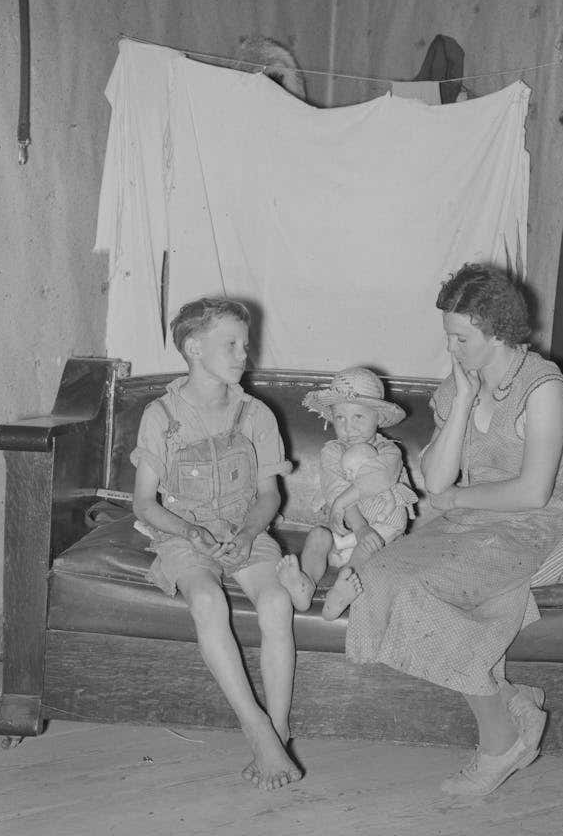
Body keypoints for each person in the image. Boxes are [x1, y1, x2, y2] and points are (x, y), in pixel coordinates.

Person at [345, 262, 563, 796]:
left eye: (461, 338)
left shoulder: (543, 387)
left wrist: (455, 497)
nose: (452, 349)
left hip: (530, 525)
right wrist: (461, 400)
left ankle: (500, 742)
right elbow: (435, 479)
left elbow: (533, 491)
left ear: (498, 332)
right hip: (465, 521)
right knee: (379, 573)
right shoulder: (461, 381)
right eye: (448, 338)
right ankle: (510, 704)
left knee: (422, 592)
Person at [130, 296, 302, 791]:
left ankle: (280, 728)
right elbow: (145, 503)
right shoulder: (162, 415)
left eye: (245, 345)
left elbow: (269, 494)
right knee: (206, 597)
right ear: (193, 348)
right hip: (183, 531)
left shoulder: (256, 415)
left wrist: (249, 534)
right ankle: (255, 726)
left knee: (274, 601)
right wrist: (189, 533)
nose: (242, 355)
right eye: (230, 344)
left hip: (244, 530)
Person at [276, 367, 417, 620]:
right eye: (340, 418)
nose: (349, 427)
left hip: (380, 537)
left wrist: (355, 520)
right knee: (318, 536)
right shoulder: (332, 451)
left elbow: (379, 478)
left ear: (378, 418)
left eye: (358, 417)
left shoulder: (389, 452)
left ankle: (342, 590)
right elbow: (335, 489)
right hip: (345, 533)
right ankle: (305, 583)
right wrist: (355, 524)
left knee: (368, 546)